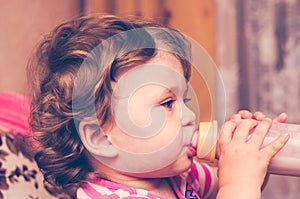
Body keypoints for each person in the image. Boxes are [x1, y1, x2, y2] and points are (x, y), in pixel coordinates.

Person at [27, 14, 290, 199]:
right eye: (167, 103)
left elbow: (226, 185)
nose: (190, 117)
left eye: (184, 100)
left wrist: (247, 164)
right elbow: (234, 187)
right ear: (100, 137)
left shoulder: (178, 174)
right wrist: (239, 182)